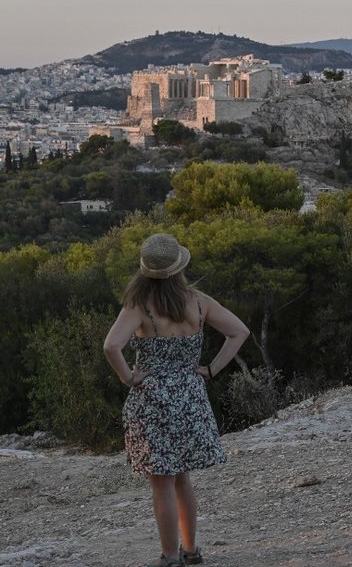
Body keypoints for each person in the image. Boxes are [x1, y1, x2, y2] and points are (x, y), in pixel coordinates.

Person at [104, 233, 250, 567]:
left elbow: (111, 346)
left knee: (162, 483)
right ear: (179, 267)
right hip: (190, 395)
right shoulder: (199, 302)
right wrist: (211, 370)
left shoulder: (139, 307)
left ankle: (169, 557)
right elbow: (239, 331)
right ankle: (191, 551)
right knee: (182, 479)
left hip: (153, 400)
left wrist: (127, 376)